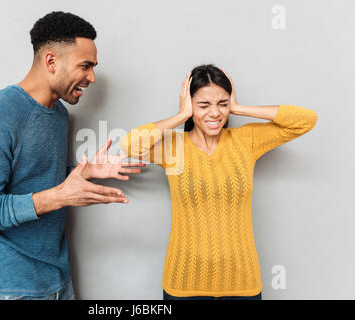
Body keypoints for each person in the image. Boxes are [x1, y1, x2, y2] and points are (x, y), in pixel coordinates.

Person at [0, 11, 144, 300]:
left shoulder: (58, 114)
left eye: (93, 67)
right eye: (85, 66)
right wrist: (62, 195)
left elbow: (33, 180)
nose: (92, 77)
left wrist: (81, 171)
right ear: (51, 61)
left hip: (57, 278)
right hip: (13, 288)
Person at [120, 64, 318, 300]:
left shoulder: (246, 141)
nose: (215, 113)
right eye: (203, 105)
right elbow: (130, 145)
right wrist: (182, 115)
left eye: (222, 104)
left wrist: (239, 108)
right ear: (189, 103)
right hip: (184, 282)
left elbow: (306, 120)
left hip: (242, 281)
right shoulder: (174, 147)